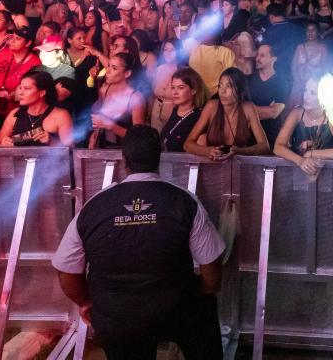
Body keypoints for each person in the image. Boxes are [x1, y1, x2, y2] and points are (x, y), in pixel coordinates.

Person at [52, 126, 226, 360]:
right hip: (176, 310)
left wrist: (86, 302)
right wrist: (204, 291)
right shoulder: (184, 201)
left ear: (124, 159)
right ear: (160, 155)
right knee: (204, 306)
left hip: (115, 316)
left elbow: (66, 270)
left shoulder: (93, 206)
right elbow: (212, 268)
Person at [184, 67, 270, 160]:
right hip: (213, 163)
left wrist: (241, 151)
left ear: (240, 89)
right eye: (220, 85)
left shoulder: (248, 108)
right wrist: (208, 151)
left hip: (238, 164)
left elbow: (264, 146)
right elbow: (187, 144)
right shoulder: (212, 107)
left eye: (228, 86)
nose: (222, 91)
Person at [273, 75, 333, 179]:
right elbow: (277, 148)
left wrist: (310, 154)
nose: (306, 96)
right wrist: (300, 160)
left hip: (328, 176)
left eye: (312, 93)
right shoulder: (297, 113)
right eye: (305, 90)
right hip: (298, 175)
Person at [0, 69, 75, 147]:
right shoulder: (14, 114)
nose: (20, 93)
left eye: (27, 88)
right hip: (18, 158)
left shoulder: (61, 116)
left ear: (42, 93)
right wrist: (3, 145)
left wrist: (52, 141)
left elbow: (71, 150)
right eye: (20, 88)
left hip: (48, 158)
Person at [90, 52, 147, 148]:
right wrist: (94, 137)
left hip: (126, 150)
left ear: (127, 73)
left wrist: (111, 126)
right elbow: (99, 119)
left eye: (114, 68)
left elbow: (138, 137)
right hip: (103, 147)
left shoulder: (135, 99)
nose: (108, 71)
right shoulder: (104, 90)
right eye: (108, 66)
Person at [158, 67, 205, 152]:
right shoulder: (174, 110)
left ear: (194, 90)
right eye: (173, 87)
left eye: (181, 88)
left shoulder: (199, 118)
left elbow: (199, 153)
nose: (175, 92)